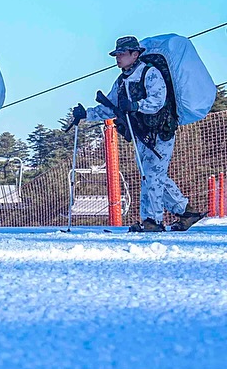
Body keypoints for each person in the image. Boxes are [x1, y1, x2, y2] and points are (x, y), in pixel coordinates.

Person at [68, 36, 203, 232]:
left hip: (160, 132)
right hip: (141, 134)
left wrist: (135, 105)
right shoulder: (122, 81)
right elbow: (111, 108)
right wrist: (87, 114)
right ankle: (186, 212)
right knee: (151, 174)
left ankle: (152, 221)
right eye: (117, 54)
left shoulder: (150, 73)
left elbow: (157, 101)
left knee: (152, 176)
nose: (118, 58)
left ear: (135, 54)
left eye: (122, 54)